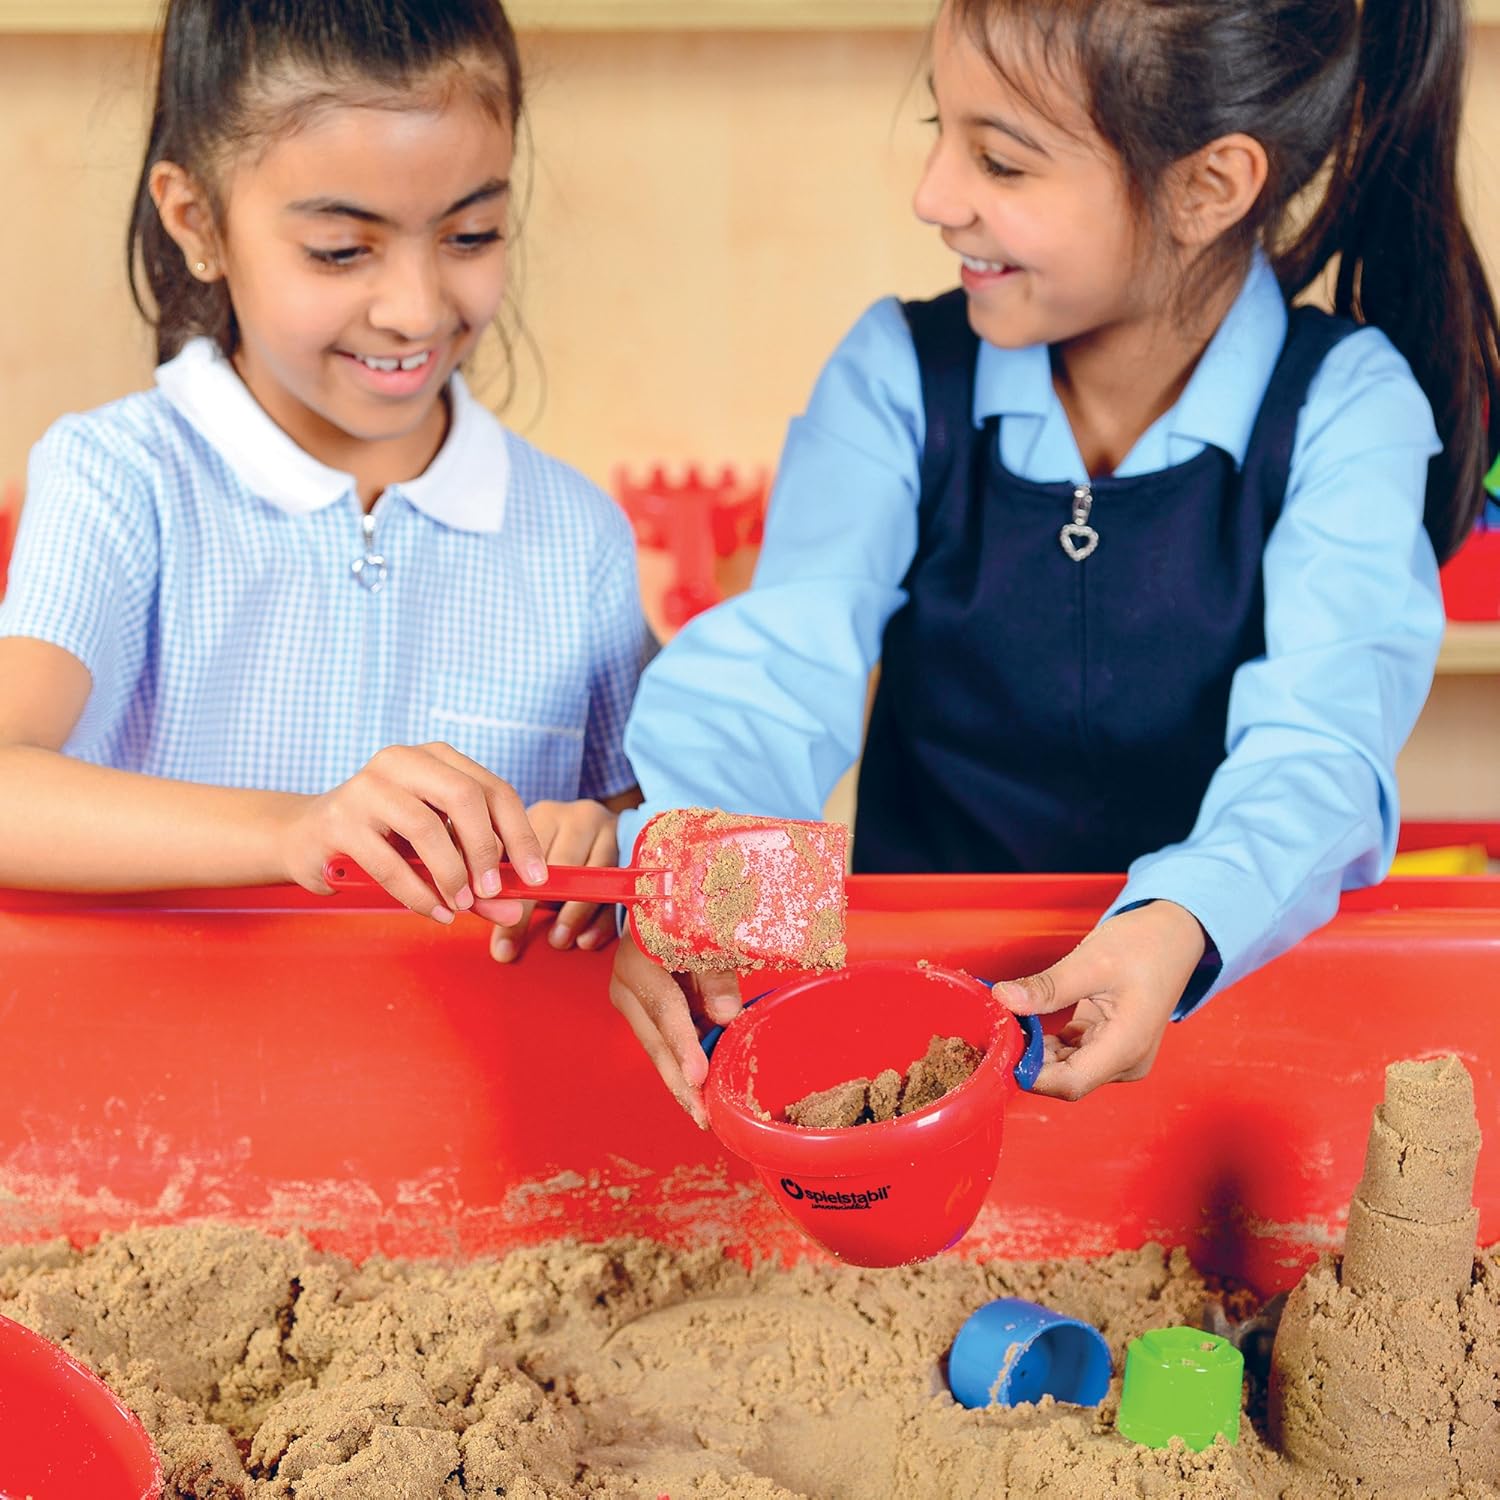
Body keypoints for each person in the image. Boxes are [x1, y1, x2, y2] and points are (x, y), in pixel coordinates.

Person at [610, 0, 1500, 1123]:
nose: (934, 195)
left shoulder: (1347, 409)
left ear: (1208, 187)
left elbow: (1318, 752)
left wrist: (1179, 924)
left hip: (1218, 1034)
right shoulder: (899, 372)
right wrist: (688, 886)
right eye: (944, 131)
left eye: (1001, 160)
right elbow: (780, 665)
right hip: (912, 1041)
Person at [0, 0, 649, 960]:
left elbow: (646, 822)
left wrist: (604, 841)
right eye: (343, 250)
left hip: (469, 1098)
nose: (416, 308)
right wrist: (295, 830)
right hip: (168, 1091)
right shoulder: (122, 480)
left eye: (471, 235)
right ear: (196, 221)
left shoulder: (575, 536)